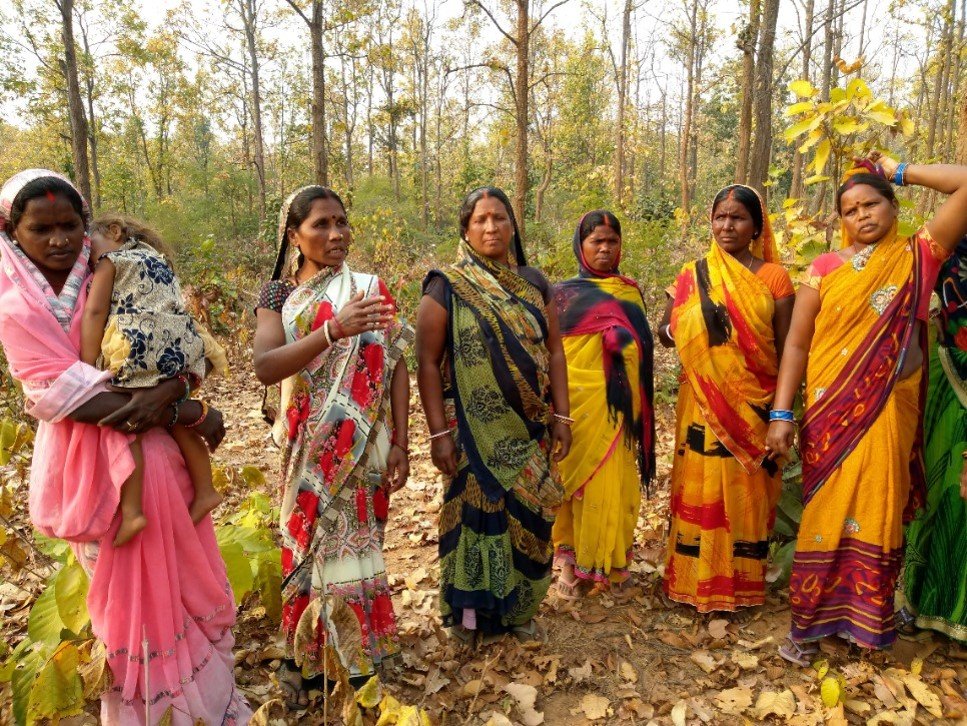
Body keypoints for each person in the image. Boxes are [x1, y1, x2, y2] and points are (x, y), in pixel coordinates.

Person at [0, 169, 250, 723]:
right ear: (12, 231)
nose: (59, 240)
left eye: (69, 226)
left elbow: (178, 344)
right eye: (41, 229)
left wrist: (179, 390)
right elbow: (54, 394)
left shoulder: (115, 267)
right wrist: (180, 409)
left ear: (87, 225)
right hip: (88, 472)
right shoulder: (15, 306)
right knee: (129, 607)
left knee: (182, 590)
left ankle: (205, 708)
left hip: (160, 462)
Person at [767, 154, 967, 662]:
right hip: (831, 415)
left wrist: (899, 168)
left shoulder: (919, 255)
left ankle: (863, 626)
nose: (862, 215)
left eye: (871, 202)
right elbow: (797, 343)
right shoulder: (824, 268)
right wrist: (782, 412)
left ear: (893, 206)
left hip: (888, 412)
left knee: (877, 511)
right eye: (850, 210)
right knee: (826, 513)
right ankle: (809, 628)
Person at [253, 185, 412, 709]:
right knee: (309, 546)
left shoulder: (368, 287)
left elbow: (397, 364)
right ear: (293, 235)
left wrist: (401, 445)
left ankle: (357, 658)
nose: (336, 233)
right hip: (304, 449)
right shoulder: (277, 296)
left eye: (341, 222)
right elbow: (266, 365)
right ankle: (309, 659)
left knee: (355, 546)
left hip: (361, 444)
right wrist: (332, 331)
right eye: (320, 224)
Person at [416, 186, 571, 643]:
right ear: (465, 228)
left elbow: (555, 352)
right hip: (469, 430)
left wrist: (563, 417)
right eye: (481, 219)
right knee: (476, 518)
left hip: (532, 428)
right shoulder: (446, 285)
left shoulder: (535, 282)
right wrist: (437, 434)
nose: (491, 227)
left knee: (532, 514)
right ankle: (471, 618)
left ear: (512, 225)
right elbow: (426, 361)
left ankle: (521, 611)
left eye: (500, 218)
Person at [658, 184, 794, 615]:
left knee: (745, 495)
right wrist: (694, 331)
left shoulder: (774, 278)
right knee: (700, 490)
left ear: (756, 226)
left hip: (752, 408)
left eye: (737, 218)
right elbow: (665, 333)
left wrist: (783, 412)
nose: (726, 225)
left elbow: (789, 348)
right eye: (720, 216)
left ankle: (739, 585)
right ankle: (691, 579)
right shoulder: (691, 273)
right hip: (701, 402)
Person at [81, 214, 228, 545]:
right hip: (178, 348)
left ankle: (132, 511)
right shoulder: (158, 260)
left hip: (139, 347)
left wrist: (86, 362)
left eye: (91, 251)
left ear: (114, 233)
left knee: (127, 422)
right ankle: (205, 490)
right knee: (176, 416)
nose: (91, 260)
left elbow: (93, 313)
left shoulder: (110, 261)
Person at [551, 210, 655, 597]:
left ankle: (612, 561)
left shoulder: (628, 292)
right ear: (581, 246)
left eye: (612, 241)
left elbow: (642, 352)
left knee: (614, 482)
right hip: (576, 404)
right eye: (597, 241)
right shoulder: (562, 294)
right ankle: (571, 561)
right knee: (574, 481)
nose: (605, 249)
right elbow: (554, 354)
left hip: (620, 408)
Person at [899, 237, 967, 642]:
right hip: (942, 389)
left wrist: (899, 168)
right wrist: (894, 171)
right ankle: (924, 604)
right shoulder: (940, 264)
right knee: (940, 490)